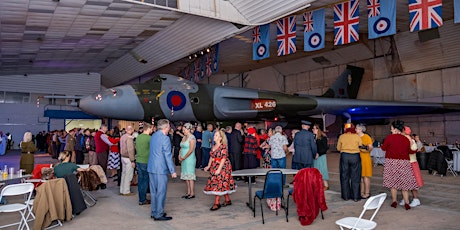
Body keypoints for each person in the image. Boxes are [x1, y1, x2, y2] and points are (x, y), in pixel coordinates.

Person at [382, 120, 418, 210]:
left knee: (393, 183)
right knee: (404, 183)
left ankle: (394, 201)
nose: (391, 130)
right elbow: (410, 151)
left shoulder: (389, 138)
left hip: (391, 162)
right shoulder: (406, 139)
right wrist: (415, 150)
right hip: (404, 163)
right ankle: (406, 203)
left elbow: (383, 148)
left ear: (395, 129)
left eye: (391, 128)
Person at [148, 119, 177, 221]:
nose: (170, 128)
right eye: (169, 126)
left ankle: (154, 211)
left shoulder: (154, 136)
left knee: (153, 192)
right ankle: (158, 214)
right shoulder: (165, 139)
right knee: (161, 192)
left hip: (151, 167)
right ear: (165, 127)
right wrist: (172, 171)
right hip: (160, 169)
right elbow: (167, 155)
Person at [203, 129, 236, 211]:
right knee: (218, 183)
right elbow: (211, 156)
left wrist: (219, 169)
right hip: (215, 165)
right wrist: (208, 166)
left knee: (219, 183)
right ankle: (227, 200)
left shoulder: (223, 146)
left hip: (223, 167)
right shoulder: (213, 146)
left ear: (221, 138)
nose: (214, 136)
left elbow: (224, 159)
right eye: (214, 135)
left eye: (216, 135)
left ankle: (216, 203)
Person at [337, 123, 362, 202]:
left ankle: (346, 196)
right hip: (355, 156)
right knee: (356, 176)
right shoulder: (357, 136)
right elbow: (360, 145)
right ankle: (355, 197)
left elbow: (338, 148)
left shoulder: (342, 136)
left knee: (344, 176)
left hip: (345, 157)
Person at [399, 127, 423, 208]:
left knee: (413, 182)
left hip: (411, 163)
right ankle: (405, 198)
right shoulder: (403, 140)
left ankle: (416, 199)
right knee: (404, 182)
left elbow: (413, 150)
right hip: (405, 163)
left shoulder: (411, 141)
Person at [136, 122, 153, 205]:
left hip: (138, 160)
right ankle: (143, 199)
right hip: (146, 161)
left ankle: (141, 198)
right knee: (145, 181)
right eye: (151, 129)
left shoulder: (138, 137)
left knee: (140, 180)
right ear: (149, 129)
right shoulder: (149, 138)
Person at [179, 123, 197, 199]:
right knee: (185, 175)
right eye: (183, 130)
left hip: (189, 159)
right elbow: (181, 147)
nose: (183, 131)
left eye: (184, 130)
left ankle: (192, 193)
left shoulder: (192, 138)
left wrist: (184, 157)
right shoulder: (184, 137)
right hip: (183, 158)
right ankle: (188, 192)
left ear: (189, 129)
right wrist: (179, 155)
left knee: (190, 175)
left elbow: (191, 149)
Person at [355, 123, 373, 199]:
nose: (355, 129)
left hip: (365, 158)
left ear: (361, 129)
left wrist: (363, 148)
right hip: (357, 158)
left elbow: (370, 148)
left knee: (366, 177)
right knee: (361, 177)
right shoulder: (355, 137)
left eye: (356, 128)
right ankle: (361, 192)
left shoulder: (366, 137)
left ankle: (367, 192)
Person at [312, 124, 330, 191]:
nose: (313, 130)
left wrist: (319, 153)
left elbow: (325, 148)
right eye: (313, 128)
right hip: (315, 156)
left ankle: (326, 185)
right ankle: (318, 184)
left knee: (322, 170)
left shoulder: (323, 137)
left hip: (321, 156)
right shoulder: (313, 137)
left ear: (318, 129)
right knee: (315, 170)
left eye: (315, 128)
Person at [119, 126, 135, 196]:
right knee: (128, 175)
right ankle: (126, 191)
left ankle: (122, 190)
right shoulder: (129, 137)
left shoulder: (122, 137)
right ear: (132, 130)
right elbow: (130, 150)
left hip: (122, 157)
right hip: (128, 158)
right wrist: (132, 160)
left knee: (124, 174)